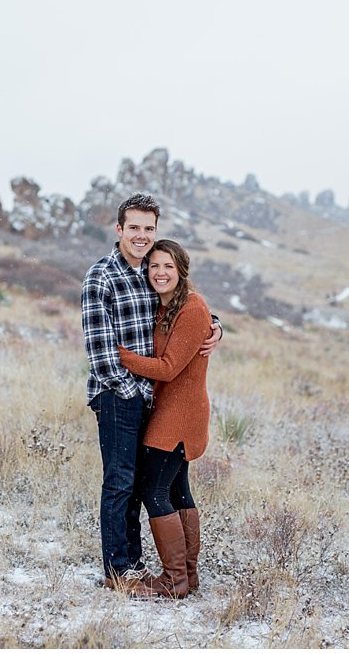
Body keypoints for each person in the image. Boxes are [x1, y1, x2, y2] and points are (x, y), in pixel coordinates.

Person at [81, 193, 220, 597]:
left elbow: (182, 306)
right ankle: (119, 571)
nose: (142, 236)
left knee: (155, 486)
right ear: (119, 229)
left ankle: (169, 573)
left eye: (149, 229)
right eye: (134, 228)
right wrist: (132, 393)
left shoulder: (146, 271)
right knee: (122, 483)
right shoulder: (101, 277)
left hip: (155, 400)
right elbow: (103, 357)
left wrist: (215, 325)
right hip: (119, 396)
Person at [118, 240, 211, 599]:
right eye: (154, 266)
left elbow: (169, 368)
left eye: (168, 266)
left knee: (152, 489)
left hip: (180, 413)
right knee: (175, 489)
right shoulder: (167, 305)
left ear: (181, 271)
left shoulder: (191, 307)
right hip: (174, 408)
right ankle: (187, 575)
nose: (159, 272)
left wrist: (120, 354)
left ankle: (174, 581)